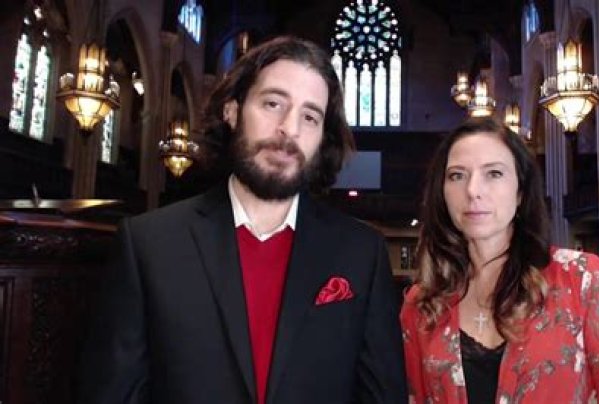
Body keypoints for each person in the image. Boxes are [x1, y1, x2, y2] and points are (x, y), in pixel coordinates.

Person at [79, 36, 407, 404]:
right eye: (273, 103)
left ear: (321, 137)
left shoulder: (361, 254)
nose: (290, 129)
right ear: (232, 111)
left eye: (310, 117)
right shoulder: (149, 245)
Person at [400, 117, 599, 403]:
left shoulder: (581, 278)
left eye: (494, 173)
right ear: (442, 192)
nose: (473, 190)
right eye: (457, 175)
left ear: (520, 193)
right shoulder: (422, 303)